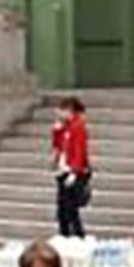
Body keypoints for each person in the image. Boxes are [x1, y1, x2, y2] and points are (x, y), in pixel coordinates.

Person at [48, 92, 93, 237]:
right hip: (63, 171)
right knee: (62, 210)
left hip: (73, 173)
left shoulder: (78, 126)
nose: (58, 113)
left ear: (69, 109)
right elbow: (58, 146)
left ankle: (77, 237)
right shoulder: (66, 126)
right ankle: (65, 235)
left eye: (61, 110)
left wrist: (75, 171)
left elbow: (79, 150)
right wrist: (57, 130)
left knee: (70, 210)